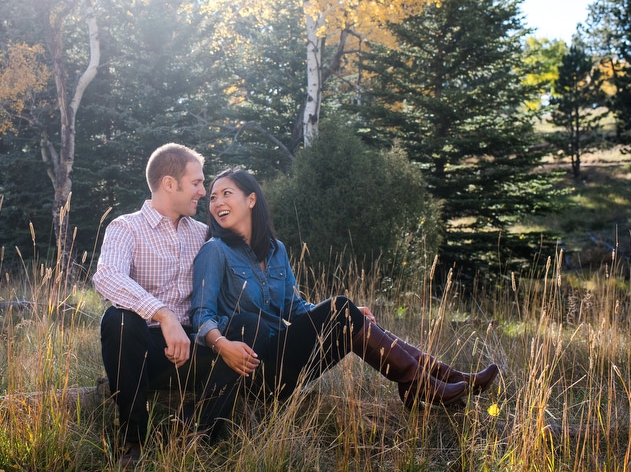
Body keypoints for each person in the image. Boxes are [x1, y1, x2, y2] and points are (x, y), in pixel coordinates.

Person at [190, 168, 500, 433]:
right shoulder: (215, 250)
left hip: (288, 361)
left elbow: (296, 309)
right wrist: (221, 345)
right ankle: (420, 381)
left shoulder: (276, 250)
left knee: (345, 310)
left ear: (251, 199)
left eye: (226, 193)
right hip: (252, 365)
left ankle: (444, 377)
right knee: (341, 307)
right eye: (213, 197)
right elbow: (201, 314)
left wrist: (345, 317)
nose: (217, 202)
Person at [92, 143, 236, 465]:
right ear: (170, 184)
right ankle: (132, 440)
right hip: (142, 349)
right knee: (117, 320)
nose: (203, 191)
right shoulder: (126, 227)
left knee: (236, 339)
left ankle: (194, 434)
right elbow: (107, 276)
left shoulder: (202, 234)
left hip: (192, 348)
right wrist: (163, 314)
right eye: (197, 183)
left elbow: (241, 270)